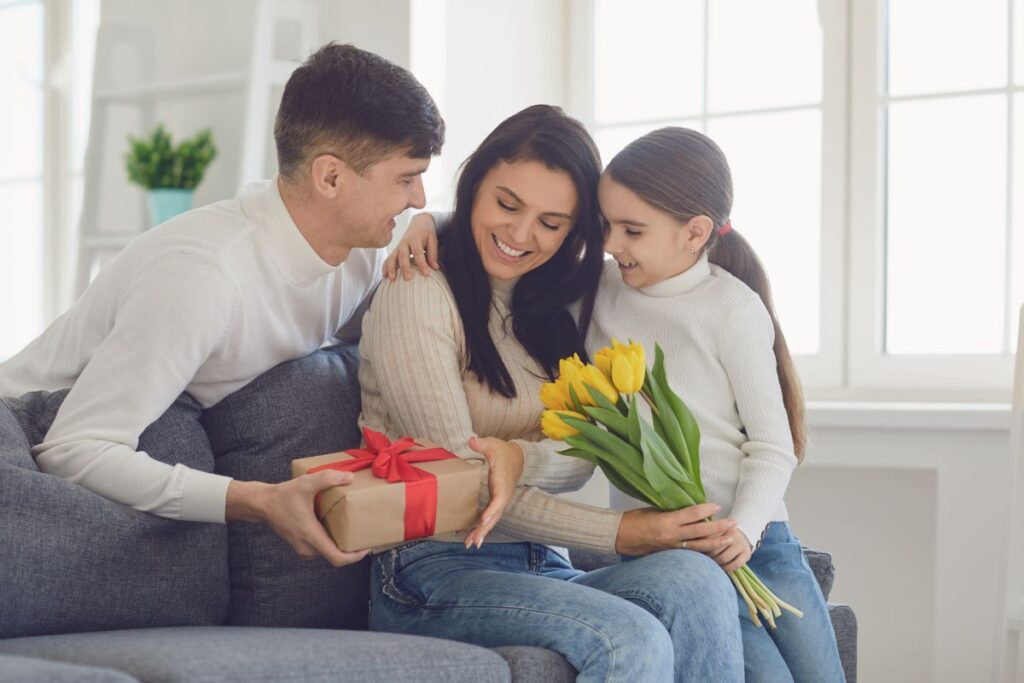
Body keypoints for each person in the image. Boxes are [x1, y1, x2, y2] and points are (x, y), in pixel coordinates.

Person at [386, 127, 845, 682]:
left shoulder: (701, 304)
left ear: (695, 233)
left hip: (726, 539)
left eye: (554, 224)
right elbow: (466, 480)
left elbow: (583, 449)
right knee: (714, 654)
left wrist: (741, 530)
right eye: (606, 227)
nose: (610, 243)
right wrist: (428, 221)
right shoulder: (584, 291)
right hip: (440, 563)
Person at [0, 43, 445, 568]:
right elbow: (72, 448)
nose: (417, 197)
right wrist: (258, 500)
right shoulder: (202, 278)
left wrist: (433, 223)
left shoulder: (357, 254)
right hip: (21, 442)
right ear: (330, 177)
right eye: (405, 178)